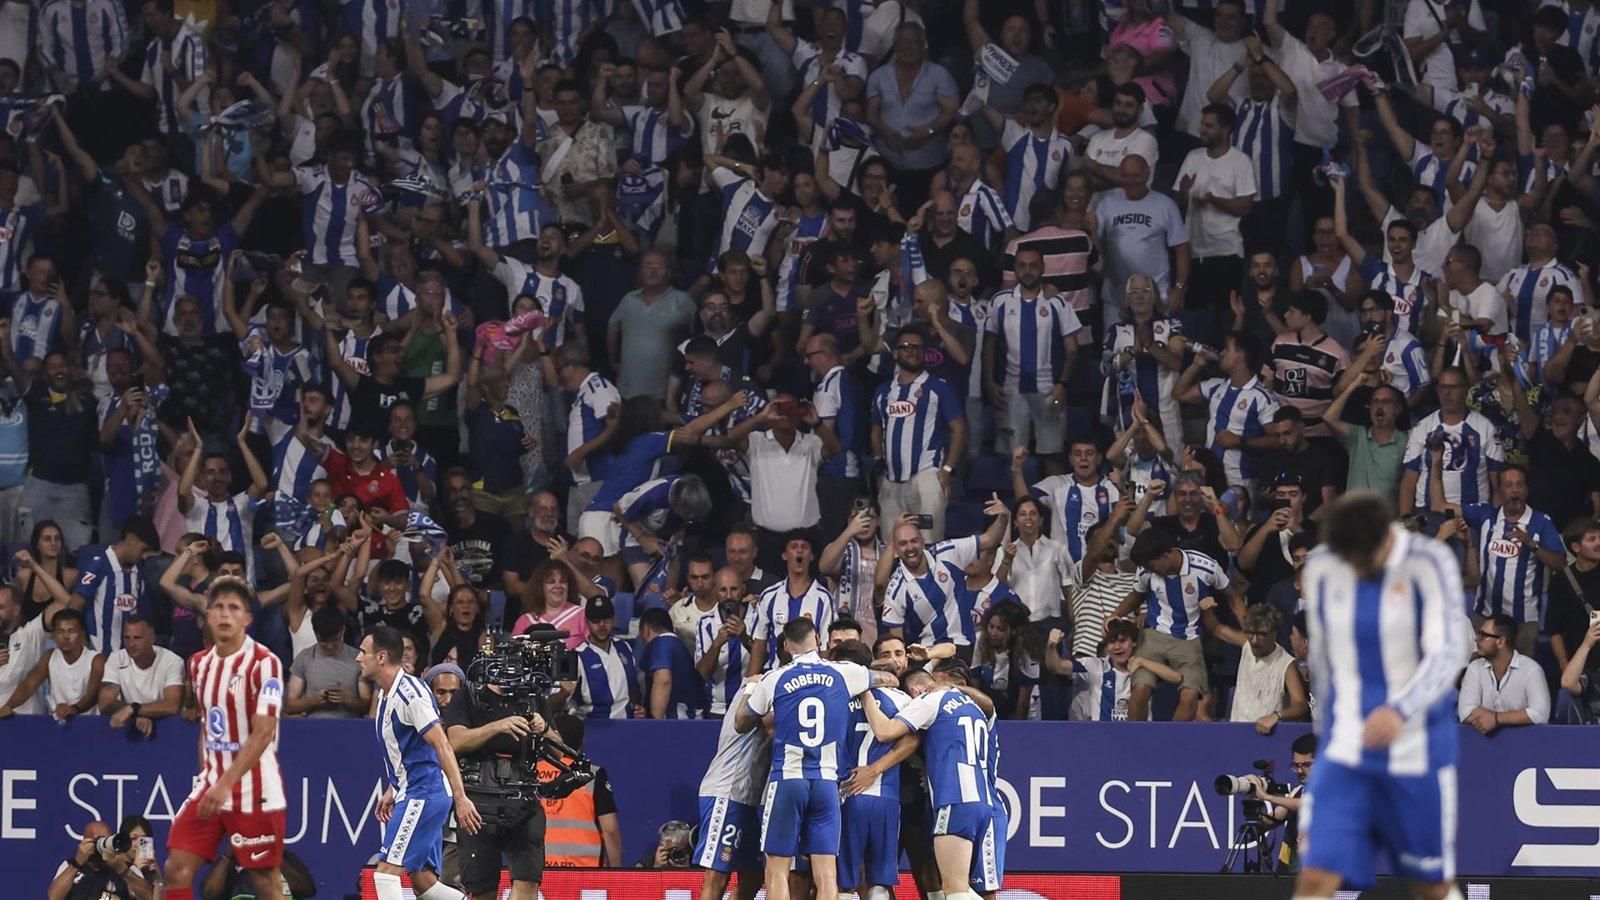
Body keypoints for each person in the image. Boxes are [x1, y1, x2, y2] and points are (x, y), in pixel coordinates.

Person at [1295, 492, 1470, 900]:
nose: (1353, 570)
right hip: (1346, 754)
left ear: (1387, 538)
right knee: (1315, 879)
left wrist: (1400, 709)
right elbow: (1322, 660)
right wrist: (1325, 735)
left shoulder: (1429, 561)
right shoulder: (1323, 565)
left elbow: (1449, 651)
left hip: (1416, 751)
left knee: (1431, 887)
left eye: (1360, 560)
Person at [161, 581, 289, 900]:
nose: (225, 614)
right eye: (218, 607)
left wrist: (225, 784)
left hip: (254, 789)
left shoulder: (265, 662)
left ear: (247, 618)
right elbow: (207, 726)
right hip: (212, 784)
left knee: (265, 882)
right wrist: (208, 777)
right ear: (207, 615)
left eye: (234, 608)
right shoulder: (198, 664)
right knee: (176, 869)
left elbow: (264, 732)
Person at [735, 618, 872, 900]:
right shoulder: (845, 672)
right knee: (827, 874)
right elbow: (887, 678)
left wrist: (751, 688)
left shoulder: (775, 677)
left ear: (786, 646)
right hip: (826, 783)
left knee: (777, 870)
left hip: (788, 779)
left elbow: (741, 722)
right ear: (818, 640)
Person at [859, 660, 1001, 900]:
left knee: (954, 888)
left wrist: (864, 691)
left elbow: (884, 731)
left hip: (954, 800)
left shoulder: (929, 700)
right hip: (983, 802)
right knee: (960, 887)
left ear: (916, 691)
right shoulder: (972, 705)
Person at [360, 625, 482, 900]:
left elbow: (441, 744)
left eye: (363, 651)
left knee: (385, 874)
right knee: (422, 880)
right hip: (413, 790)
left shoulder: (410, 695)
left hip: (423, 794)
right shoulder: (385, 693)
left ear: (381, 657)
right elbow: (413, 749)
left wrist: (461, 798)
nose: (358, 658)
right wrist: (393, 788)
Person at [1108, 528, 1245, 722]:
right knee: (1139, 689)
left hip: (1189, 639)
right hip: (1153, 636)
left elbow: (1232, 596)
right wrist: (1115, 615)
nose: (1149, 570)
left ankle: (1172, 740)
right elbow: (1136, 595)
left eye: (1151, 566)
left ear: (1165, 556)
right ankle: (1135, 738)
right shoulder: (1145, 570)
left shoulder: (1205, 568)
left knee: (1190, 697)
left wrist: (1247, 627)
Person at [877, 496, 1012, 661]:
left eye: (914, 541)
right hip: (925, 654)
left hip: (960, 646)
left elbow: (990, 539)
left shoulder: (948, 552)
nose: (910, 547)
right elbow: (896, 639)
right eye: (903, 543)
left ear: (923, 541)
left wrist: (1003, 516)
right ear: (895, 549)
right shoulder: (896, 588)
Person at [692, 681, 770, 900]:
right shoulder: (758, 687)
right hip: (727, 791)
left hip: (749, 798)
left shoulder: (767, 684)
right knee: (717, 877)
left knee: (754, 875)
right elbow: (772, 723)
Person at [1207, 603, 1310, 731]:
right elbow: (1217, 629)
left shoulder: (1286, 663)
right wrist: (1207, 611)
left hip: (1265, 734)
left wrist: (1277, 716)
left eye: (1261, 634)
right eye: (1250, 633)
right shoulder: (1246, 645)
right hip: (1237, 730)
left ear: (1274, 633)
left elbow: (1300, 704)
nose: (1254, 640)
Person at [1458, 612, 1551, 732]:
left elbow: (1540, 714)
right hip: (1482, 741)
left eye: (1483, 635)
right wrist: (1514, 717)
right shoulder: (1474, 668)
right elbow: (1465, 712)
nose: (1476, 639)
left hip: (1524, 741)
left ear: (1500, 642)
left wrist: (1496, 719)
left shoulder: (1531, 670)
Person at [96, 615, 184, 734]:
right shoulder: (116, 659)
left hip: (168, 730)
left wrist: (133, 709)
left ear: (152, 638)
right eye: (127, 638)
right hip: (132, 728)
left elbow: (172, 705)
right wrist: (136, 714)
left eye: (137, 638)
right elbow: (105, 702)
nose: (131, 644)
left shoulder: (172, 661)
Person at [638, 606, 705, 719]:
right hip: (691, 716)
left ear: (646, 629)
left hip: (677, 719)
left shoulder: (662, 643)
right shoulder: (678, 644)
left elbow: (663, 680)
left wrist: (655, 722)